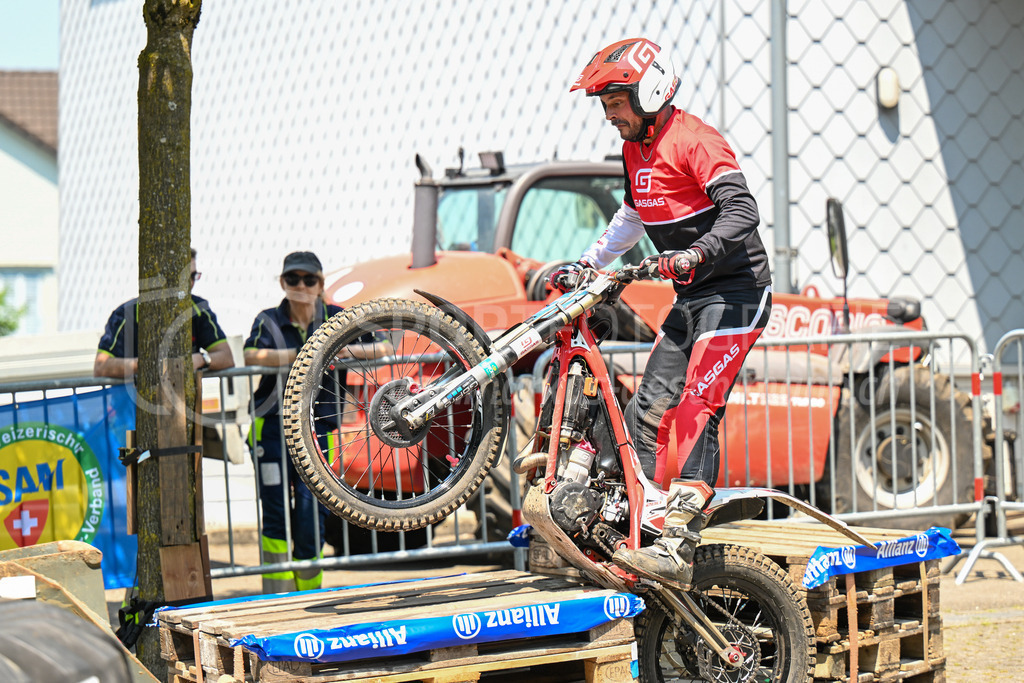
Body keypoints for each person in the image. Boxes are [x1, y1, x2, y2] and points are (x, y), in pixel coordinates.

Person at [561, 38, 773, 590]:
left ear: (650, 91)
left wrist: (695, 252)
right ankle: (647, 529)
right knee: (649, 408)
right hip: (693, 298)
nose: (609, 115)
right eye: (604, 104)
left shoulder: (696, 140)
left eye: (615, 102)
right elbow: (631, 216)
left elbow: (743, 211)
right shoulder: (635, 149)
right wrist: (589, 263)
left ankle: (681, 544)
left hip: (738, 293)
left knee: (697, 407)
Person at [243, 251, 386, 592]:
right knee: (276, 512)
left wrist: (339, 349)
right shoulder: (269, 319)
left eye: (309, 279)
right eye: (293, 279)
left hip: (321, 428)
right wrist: (306, 353)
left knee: (313, 511)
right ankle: (275, 596)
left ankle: (309, 595)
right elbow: (251, 355)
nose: (301, 286)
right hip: (271, 429)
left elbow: (380, 347)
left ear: (321, 285)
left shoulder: (337, 319)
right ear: (283, 283)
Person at [94, 248, 234, 378]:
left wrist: (200, 359)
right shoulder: (127, 313)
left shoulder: (198, 309)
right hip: (132, 402)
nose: (190, 283)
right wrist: (147, 365)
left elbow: (227, 357)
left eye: (193, 276)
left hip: (183, 402)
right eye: (184, 276)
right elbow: (100, 367)